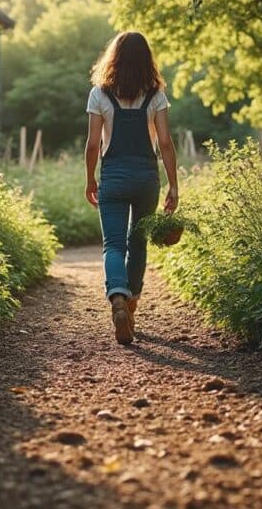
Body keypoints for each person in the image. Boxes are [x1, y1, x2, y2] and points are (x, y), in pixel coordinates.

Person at [84, 31, 178, 345]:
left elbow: (93, 144)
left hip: (113, 177)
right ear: (146, 60)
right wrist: (173, 186)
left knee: (113, 245)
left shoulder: (100, 93)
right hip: (146, 179)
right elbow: (165, 143)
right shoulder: (156, 95)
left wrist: (90, 178)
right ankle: (132, 303)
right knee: (137, 244)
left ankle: (118, 298)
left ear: (115, 57)